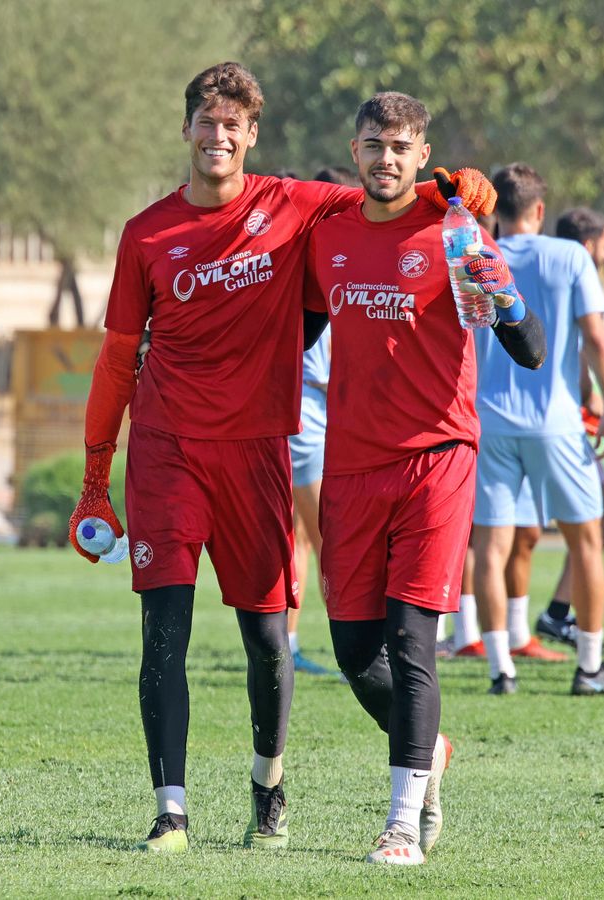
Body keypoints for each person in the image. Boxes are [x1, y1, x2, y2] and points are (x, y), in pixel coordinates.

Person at [67, 62, 490, 854]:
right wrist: (97, 477)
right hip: (166, 451)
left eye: (234, 124)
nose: (218, 136)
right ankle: (171, 811)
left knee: (269, 640)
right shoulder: (145, 234)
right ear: (186, 128)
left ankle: (269, 784)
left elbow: (388, 194)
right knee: (164, 629)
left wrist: (455, 187)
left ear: (252, 135)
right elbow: (117, 359)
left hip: (259, 451)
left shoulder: (296, 204)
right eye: (206, 121)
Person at [304, 91, 542, 864]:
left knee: (413, 644)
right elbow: (292, 331)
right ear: (355, 149)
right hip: (348, 465)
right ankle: (430, 752)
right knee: (352, 654)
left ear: (421, 153)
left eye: (402, 147)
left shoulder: (451, 231)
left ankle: (401, 822)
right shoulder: (328, 236)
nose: (387, 159)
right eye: (375, 144)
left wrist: (488, 270)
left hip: (438, 458)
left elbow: (530, 347)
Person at [470, 164, 604, 696]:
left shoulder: (474, 255)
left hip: (488, 419)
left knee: (490, 547)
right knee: (586, 539)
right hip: (555, 421)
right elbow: (598, 339)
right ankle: (589, 667)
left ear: (494, 211)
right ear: (540, 210)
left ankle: (500, 670)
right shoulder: (570, 255)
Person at [532, 207, 604, 646]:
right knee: (593, 521)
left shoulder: (529, 267)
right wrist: (601, 403)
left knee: (501, 534)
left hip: (516, 418)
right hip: (556, 421)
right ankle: (588, 656)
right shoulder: (574, 273)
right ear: (590, 246)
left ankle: (542, 620)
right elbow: (591, 345)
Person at [285, 165, 357, 679]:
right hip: (308, 430)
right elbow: (324, 374)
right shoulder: (319, 278)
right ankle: (354, 643)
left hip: (300, 427)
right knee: (332, 542)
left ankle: (287, 644)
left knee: (297, 542)